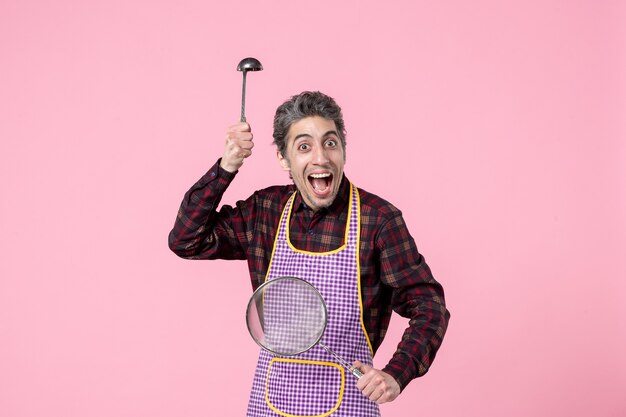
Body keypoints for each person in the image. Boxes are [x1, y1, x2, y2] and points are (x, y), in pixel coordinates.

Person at [168, 91, 449, 416]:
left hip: (349, 406)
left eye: (330, 143)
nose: (320, 157)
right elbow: (187, 239)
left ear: (343, 150)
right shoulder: (265, 212)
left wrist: (396, 375)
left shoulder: (378, 221)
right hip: (271, 404)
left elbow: (430, 307)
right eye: (304, 146)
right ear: (284, 159)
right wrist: (227, 166)